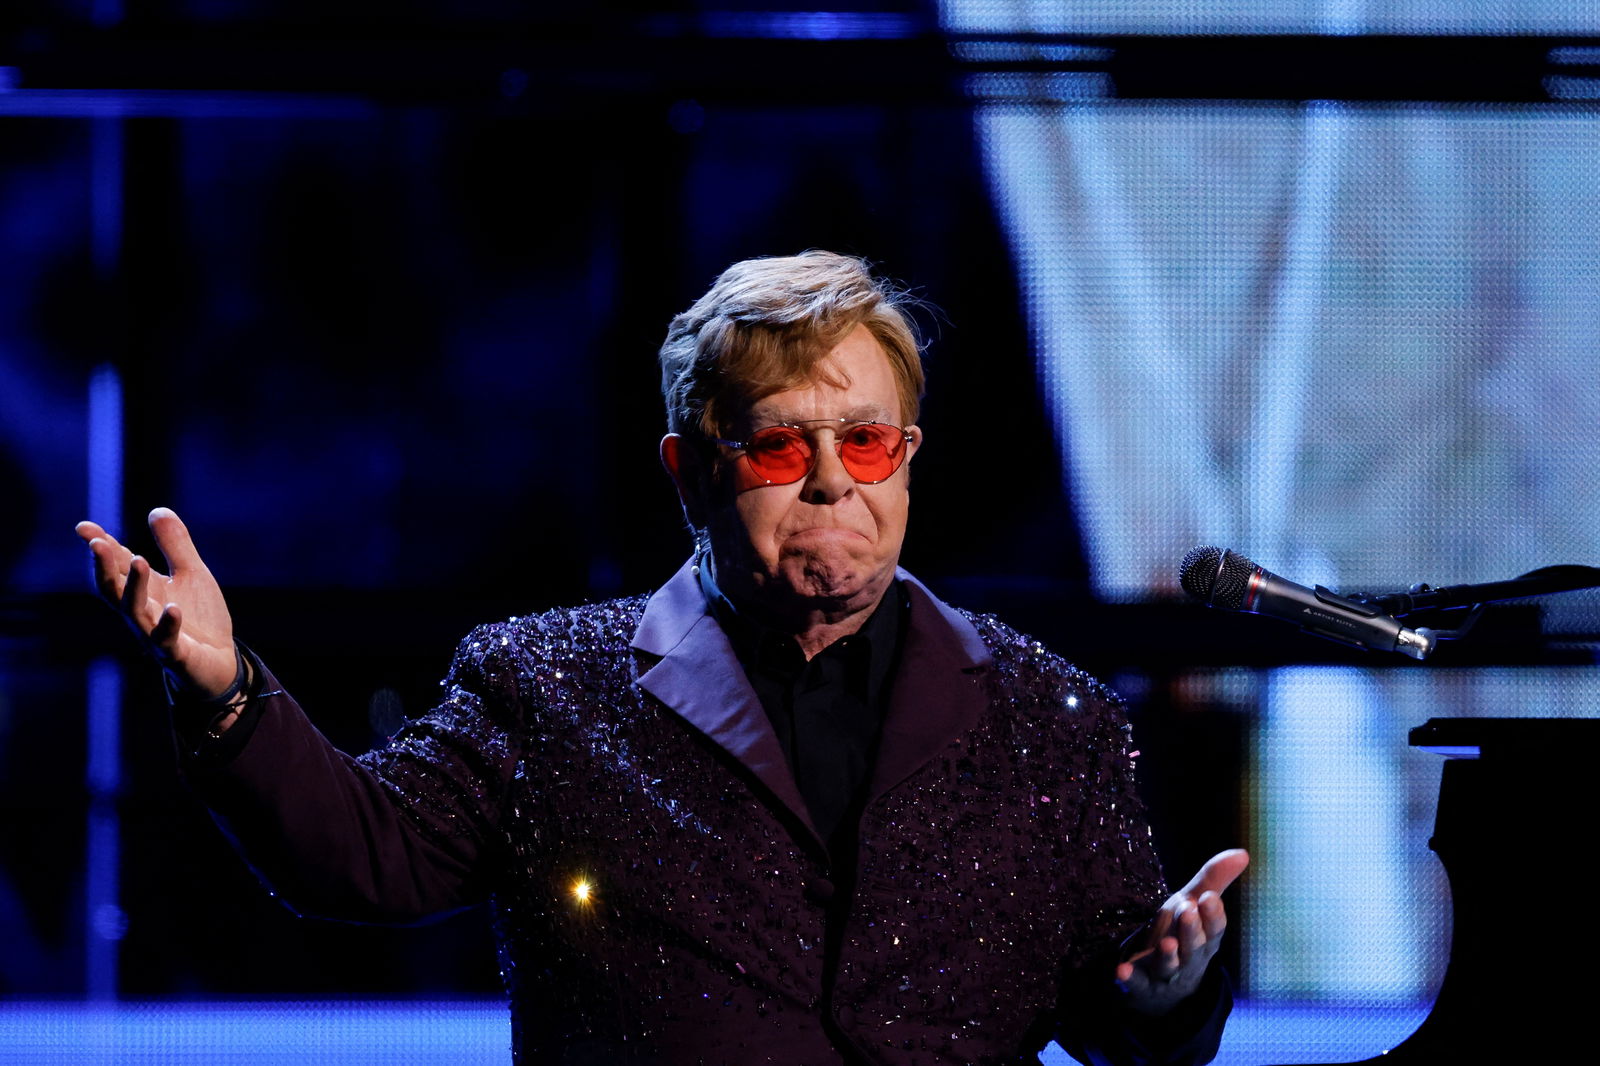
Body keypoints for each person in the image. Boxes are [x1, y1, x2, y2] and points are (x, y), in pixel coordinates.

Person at [77, 250, 1247, 1065]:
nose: (831, 480)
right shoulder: (542, 688)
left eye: (865, 441)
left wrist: (1168, 989)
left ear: (907, 458)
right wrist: (228, 692)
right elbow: (366, 857)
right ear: (690, 470)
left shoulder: (1050, 712)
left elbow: (1120, 1009)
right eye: (780, 446)